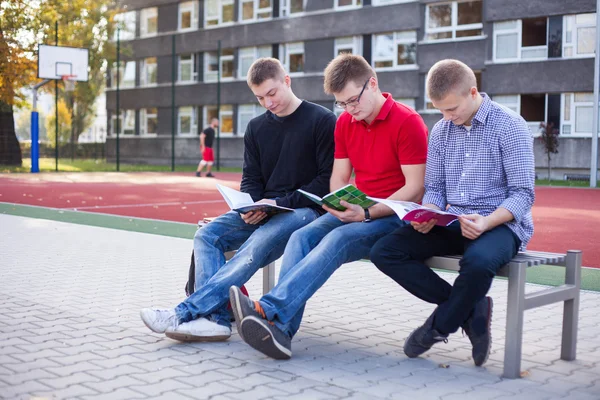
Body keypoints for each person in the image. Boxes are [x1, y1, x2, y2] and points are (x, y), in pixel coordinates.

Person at [228, 53, 428, 359]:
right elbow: (338, 178)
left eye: (353, 100)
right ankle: (281, 332)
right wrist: (338, 202)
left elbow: (415, 189)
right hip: (357, 209)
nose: (349, 109)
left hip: (392, 214)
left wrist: (367, 213)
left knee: (336, 238)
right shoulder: (346, 122)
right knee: (301, 236)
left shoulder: (408, 121)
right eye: (342, 104)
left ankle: (270, 311)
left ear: (372, 84)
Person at [140, 57, 336, 341]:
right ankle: (217, 321)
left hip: (305, 212)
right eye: (260, 97)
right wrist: (250, 207)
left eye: (272, 93)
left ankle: (184, 313)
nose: (268, 103)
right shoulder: (256, 128)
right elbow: (251, 179)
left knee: (256, 243)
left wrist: (278, 204)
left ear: (287, 81)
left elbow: (324, 182)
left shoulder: (322, 121)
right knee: (207, 235)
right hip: (266, 210)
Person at [369, 59, 535, 367]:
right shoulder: (442, 130)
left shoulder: (510, 126)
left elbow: (523, 195)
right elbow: (435, 189)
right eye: (440, 110)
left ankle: (438, 326)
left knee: (478, 262)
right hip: (453, 220)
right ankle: (472, 311)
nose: (447, 117)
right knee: (385, 251)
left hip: (500, 224)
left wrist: (487, 221)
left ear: (473, 92)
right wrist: (429, 213)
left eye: (452, 109)